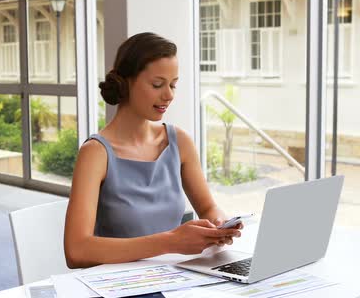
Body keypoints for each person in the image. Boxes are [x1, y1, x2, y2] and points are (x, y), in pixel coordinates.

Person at [64, 32, 242, 269]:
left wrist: (219, 224)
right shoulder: (95, 153)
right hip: (117, 286)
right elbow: (77, 251)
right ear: (126, 82)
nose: (168, 95)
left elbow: (208, 208)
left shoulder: (179, 141)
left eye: (173, 85)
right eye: (157, 84)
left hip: (173, 277)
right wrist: (170, 242)